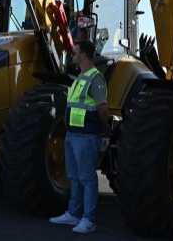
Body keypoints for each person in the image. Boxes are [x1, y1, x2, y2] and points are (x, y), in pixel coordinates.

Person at [49, 41, 109, 235]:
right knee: (74, 177)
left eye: (75, 52)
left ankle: (89, 219)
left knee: (87, 178)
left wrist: (103, 128)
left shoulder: (95, 78)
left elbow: (103, 107)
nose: (72, 55)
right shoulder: (79, 78)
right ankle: (73, 214)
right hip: (73, 135)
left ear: (84, 55)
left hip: (86, 136)